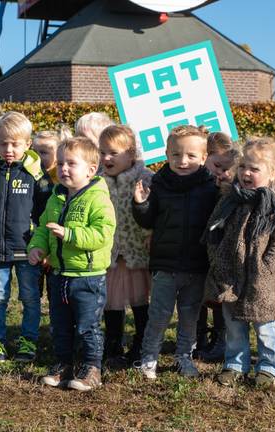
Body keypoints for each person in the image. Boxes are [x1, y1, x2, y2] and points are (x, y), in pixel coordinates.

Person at [205, 137, 275, 388]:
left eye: (254, 169)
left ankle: (268, 367)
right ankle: (235, 364)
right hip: (229, 272)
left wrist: (268, 263)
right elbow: (213, 229)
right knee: (233, 323)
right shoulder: (230, 199)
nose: (246, 173)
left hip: (260, 276)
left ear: (273, 174)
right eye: (243, 166)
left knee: (264, 325)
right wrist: (216, 256)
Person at [28, 137, 116, 391]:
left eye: (71, 164)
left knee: (88, 326)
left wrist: (69, 235)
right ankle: (63, 364)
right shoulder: (55, 198)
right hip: (59, 274)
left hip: (88, 276)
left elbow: (102, 235)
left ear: (90, 170)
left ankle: (91, 368)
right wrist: (37, 247)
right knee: (60, 325)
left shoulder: (98, 199)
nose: (64, 168)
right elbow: (44, 228)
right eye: (61, 163)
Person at [132, 125, 218, 380]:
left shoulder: (210, 186)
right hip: (165, 264)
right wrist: (140, 203)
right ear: (167, 154)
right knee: (158, 314)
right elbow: (147, 221)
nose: (183, 161)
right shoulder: (158, 184)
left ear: (203, 158)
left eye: (191, 156)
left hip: (196, 264)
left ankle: (184, 357)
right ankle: (149, 358)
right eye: (176, 155)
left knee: (190, 315)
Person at [0, 111, 52, 363]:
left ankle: (28, 341)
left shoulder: (36, 176)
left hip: (27, 250)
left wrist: (44, 247)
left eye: (15, 144)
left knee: (30, 298)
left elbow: (45, 214)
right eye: (3, 143)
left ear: (27, 144)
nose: (8, 149)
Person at [98, 125, 153, 368]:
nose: (106, 158)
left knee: (139, 298)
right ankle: (113, 342)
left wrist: (152, 235)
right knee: (112, 300)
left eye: (113, 153)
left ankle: (141, 342)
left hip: (138, 250)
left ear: (131, 154)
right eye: (102, 152)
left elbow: (156, 212)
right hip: (110, 252)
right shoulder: (98, 181)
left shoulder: (146, 178)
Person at [196, 132, 241, 362]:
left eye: (225, 168)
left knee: (220, 295)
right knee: (200, 294)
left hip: (220, 251)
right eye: (216, 165)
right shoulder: (198, 180)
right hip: (200, 248)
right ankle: (199, 336)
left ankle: (220, 339)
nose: (220, 172)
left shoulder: (228, 187)